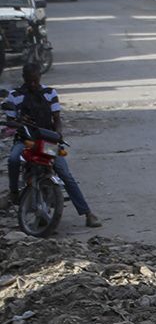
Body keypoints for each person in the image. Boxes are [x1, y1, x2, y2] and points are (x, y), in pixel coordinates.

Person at [6, 62, 99, 228]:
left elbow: (57, 119)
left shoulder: (50, 93)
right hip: (26, 140)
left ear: (40, 77)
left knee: (64, 173)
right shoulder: (14, 95)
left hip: (46, 141)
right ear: (24, 79)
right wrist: (19, 122)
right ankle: (14, 192)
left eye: (35, 80)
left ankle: (87, 213)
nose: (32, 84)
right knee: (13, 159)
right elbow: (10, 121)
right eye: (29, 81)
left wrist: (58, 135)